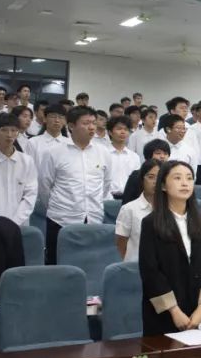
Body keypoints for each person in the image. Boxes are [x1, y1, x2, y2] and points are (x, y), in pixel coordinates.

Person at [138, 160, 201, 335]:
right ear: (163, 186)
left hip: (198, 313)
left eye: (189, 178)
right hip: (165, 314)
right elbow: (150, 271)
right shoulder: (151, 223)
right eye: (177, 178)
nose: (185, 183)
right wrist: (174, 310)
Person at [38, 106, 112, 264]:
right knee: (58, 265)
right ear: (71, 126)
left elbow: (106, 185)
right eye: (86, 123)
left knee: (91, 266)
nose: (92, 127)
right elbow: (44, 186)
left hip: (93, 219)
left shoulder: (103, 152)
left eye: (93, 123)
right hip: (61, 219)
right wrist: (58, 207)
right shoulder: (54, 152)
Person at [0, 113, 37, 226]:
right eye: (4, 130)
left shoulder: (27, 161)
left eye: (13, 130)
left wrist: (15, 222)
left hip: (20, 225)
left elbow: (30, 195)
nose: (9, 135)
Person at [115, 158, 159, 262]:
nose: (155, 182)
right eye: (151, 177)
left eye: (160, 177)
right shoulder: (129, 209)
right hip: (136, 265)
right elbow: (121, 242)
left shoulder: (171, 208)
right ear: (142, 180)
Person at [105, 115, 141, 199]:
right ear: (110, 132)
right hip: (107, 198)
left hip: (129, 198)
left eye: (126, 129)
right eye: (119, 129)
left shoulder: (134, 156)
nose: (123, 132)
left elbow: (136, 181)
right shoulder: (103, 154)